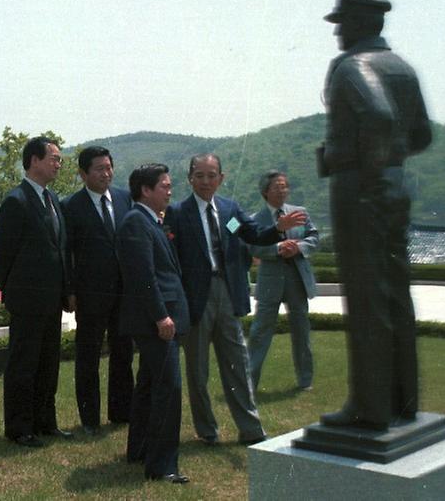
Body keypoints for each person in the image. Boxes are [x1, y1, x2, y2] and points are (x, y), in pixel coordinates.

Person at [318, 0, 433, 430]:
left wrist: (367, 173)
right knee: (395, 296)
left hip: (360, 189)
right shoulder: (401, 67)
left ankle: (369, 407)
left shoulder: (351, 67)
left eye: (342, 23)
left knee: (366, 300)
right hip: (394, 184)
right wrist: (389, 169)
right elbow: (420, 133)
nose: (338, 33)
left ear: (361, 24)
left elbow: (379, 117)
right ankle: (404, 402)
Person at [164, 154, 305, 445]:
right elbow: (171, 258)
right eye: (200, 175)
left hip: (227, 293)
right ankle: (207, 430)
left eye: (211, 175)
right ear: (190, 177)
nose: (206, 181)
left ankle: (251, 429)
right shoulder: (178, 212)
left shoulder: (229, 210)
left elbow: (251, 234)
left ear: (221, 178)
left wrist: (278, 230)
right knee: (198, 370)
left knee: (237, 364)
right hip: (196, 300)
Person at [0, 136, 73, 447]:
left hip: (52, 299)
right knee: (23, 366)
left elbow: (61, 250)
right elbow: (3, 253)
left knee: (48, 363)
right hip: (27, 300)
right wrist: (9, 289)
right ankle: (19, 427)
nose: (57, 163)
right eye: (53, 158)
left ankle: (45, 421)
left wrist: (67, 290)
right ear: (34, 161)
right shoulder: (17, 201)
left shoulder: (52, 200)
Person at [117, 163, 189, 484]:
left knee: (148, 385)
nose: (169, 191)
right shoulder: (136, 222)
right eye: (164, 185)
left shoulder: (152, 221)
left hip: (160, 319)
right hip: (155, 322)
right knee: (168, 388)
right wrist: (161, 315)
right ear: (145, 190)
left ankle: (140, 449)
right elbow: (143, 277)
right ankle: (162, 466)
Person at [61, 146, 134, 436]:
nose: (106, 173)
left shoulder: (124, 199)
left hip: (124, 292)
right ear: (83, 174)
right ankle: (89, 418)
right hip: (90, 294)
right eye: (98, 169)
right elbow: (67, 254)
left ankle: (121, 411)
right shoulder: (70, 206)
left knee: (123, 353)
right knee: (88, 357)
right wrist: (70, 290)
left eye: (108, 167)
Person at [248, 170, 319, 392]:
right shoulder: (255, 220)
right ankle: (249, 383)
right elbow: (252, 246)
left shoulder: (300, 213)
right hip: (270, 283)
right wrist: (278, 248)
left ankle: (305, 381)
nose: (282, 190)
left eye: (285, 186)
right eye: (277, 186)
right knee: (260, 333)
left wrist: (298, 247)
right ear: (265, 191)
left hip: (297, 280)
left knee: (301, 331)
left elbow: (314, 237)